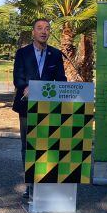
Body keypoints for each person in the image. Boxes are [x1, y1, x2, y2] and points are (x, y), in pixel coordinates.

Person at [12, 18, 67, 198]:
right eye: (40, 28)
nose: (44, 31)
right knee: (27, 146)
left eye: (47, 28)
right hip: (27, 106)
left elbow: (60, 80)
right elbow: (18, 79)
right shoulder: (22, 53)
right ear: (33, 32)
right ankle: (30, 185)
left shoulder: (55, 54)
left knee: (46, 146)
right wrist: (26, 87)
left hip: (48, 107)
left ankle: (44, 183)